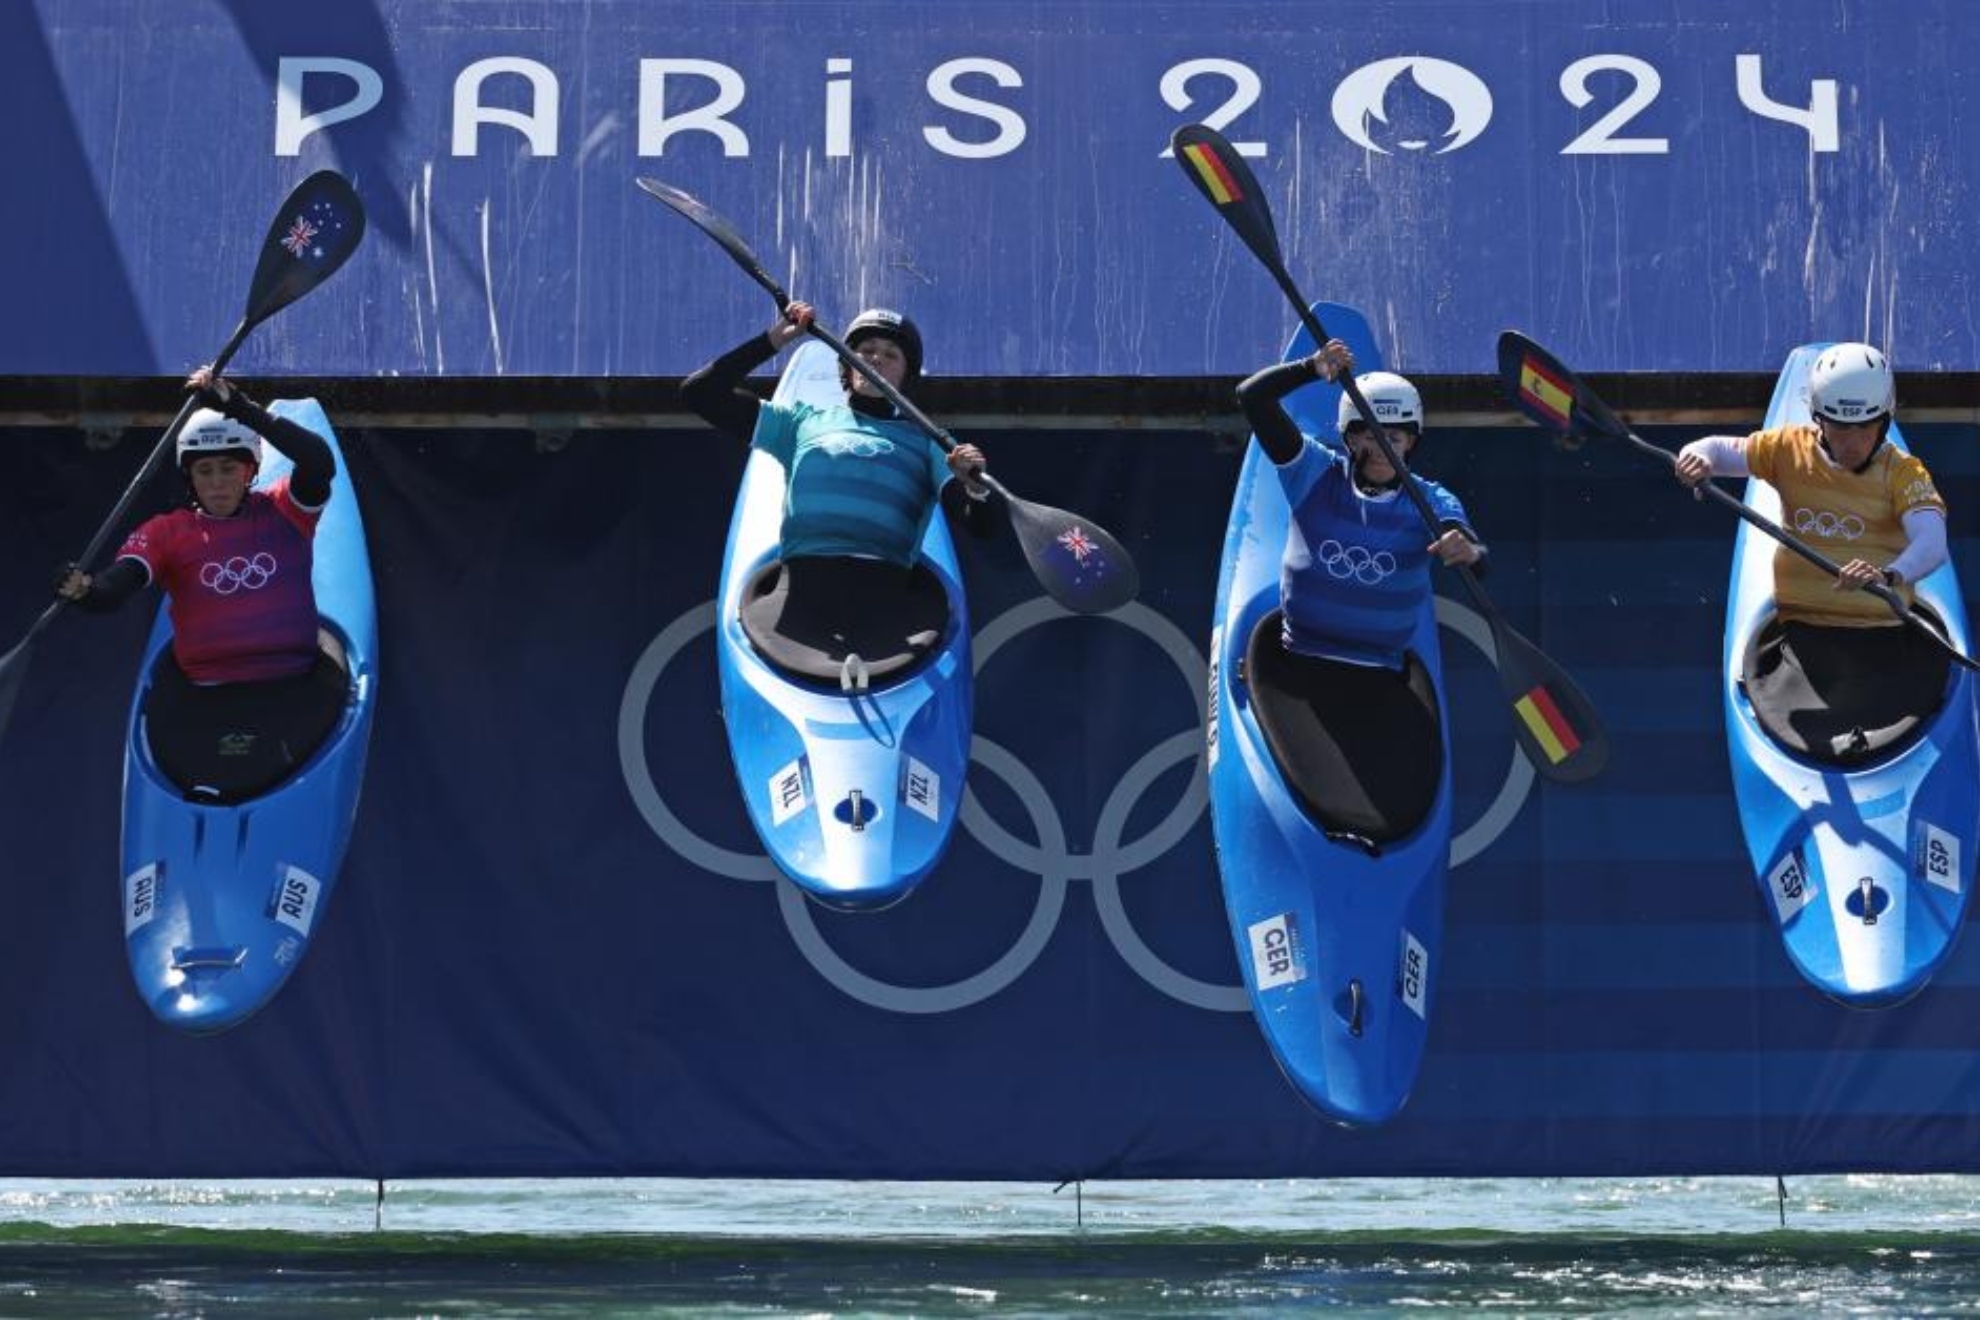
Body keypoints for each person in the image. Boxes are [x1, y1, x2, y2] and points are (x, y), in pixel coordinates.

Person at [1232, 340, 1485, 844]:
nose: (1382, 447)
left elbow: (1474, 555)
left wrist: (1467, 552)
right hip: (1298, 665)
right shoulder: (1313, 473)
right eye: (1369, 434)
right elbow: (1252, 398)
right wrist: (1311, 368)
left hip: (1378, 679)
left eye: (1394, 435)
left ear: (1412, 441)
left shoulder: (1430, 500)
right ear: (1349, 437)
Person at [57, 367, 346, 801]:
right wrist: (87, 591)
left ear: (250, 470)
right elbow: (120, 584)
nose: (216, 482)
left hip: (294, 686)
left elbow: (319, 462)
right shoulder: (166, 532)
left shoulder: (286, 510)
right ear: (189, 477)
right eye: (204, 470)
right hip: (207, 696)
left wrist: (239, 408)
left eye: (228, 468)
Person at [680, 304, 996, 686]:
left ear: (906, 375)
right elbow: (699, 393)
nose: (876, 358)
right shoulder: (799, 422)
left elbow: (978, 526)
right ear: (846, 364)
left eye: (891, 355)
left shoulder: (929, 443)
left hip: (886, 602)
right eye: (865, 350)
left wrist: (975, 488)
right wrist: (775, 338)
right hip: (801, 594)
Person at [1673, 342, 1950, 760]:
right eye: (1840, 427)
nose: (1853, 441)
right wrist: (1695, 458)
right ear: (1818, 417)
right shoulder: (1787, 450)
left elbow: (1932, 544)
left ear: (1885, 418)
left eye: (1866, 427)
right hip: (1800, 641)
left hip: (1885, 643)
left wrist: (1888, 576)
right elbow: (1718, 450)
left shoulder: (1905, 473)